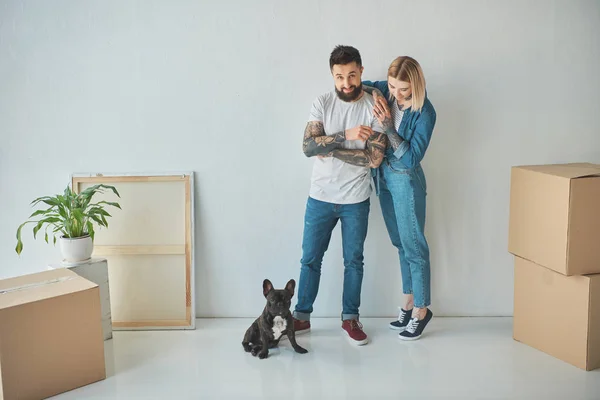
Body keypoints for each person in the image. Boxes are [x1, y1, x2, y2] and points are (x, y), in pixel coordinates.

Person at [292, 45, 387, 346]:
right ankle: (301, 316)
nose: (346, 83)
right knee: (310, 259)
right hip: (320, 196)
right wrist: (346, 137)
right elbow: (308, 147)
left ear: (361, 71)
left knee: (354, 261)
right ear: (332, 76)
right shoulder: (322, 102)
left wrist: (329, 148)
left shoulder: (374, 105)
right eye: (339, 77)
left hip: (355, 199)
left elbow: (374, 159)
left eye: (352, 75)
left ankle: (350, 318)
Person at [362, 56, 437, 340]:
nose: (397, 93)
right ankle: (408, 302)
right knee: (399, 244)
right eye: (393, 86)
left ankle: (422, 310)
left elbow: (411, 159)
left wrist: (388, 126)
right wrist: (372, 91)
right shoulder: (387, 90)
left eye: (404, 89)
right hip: (383, 177)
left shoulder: (425, 113)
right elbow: (365, 87)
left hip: (406, 181)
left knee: (414, 246)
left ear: (416, 85)